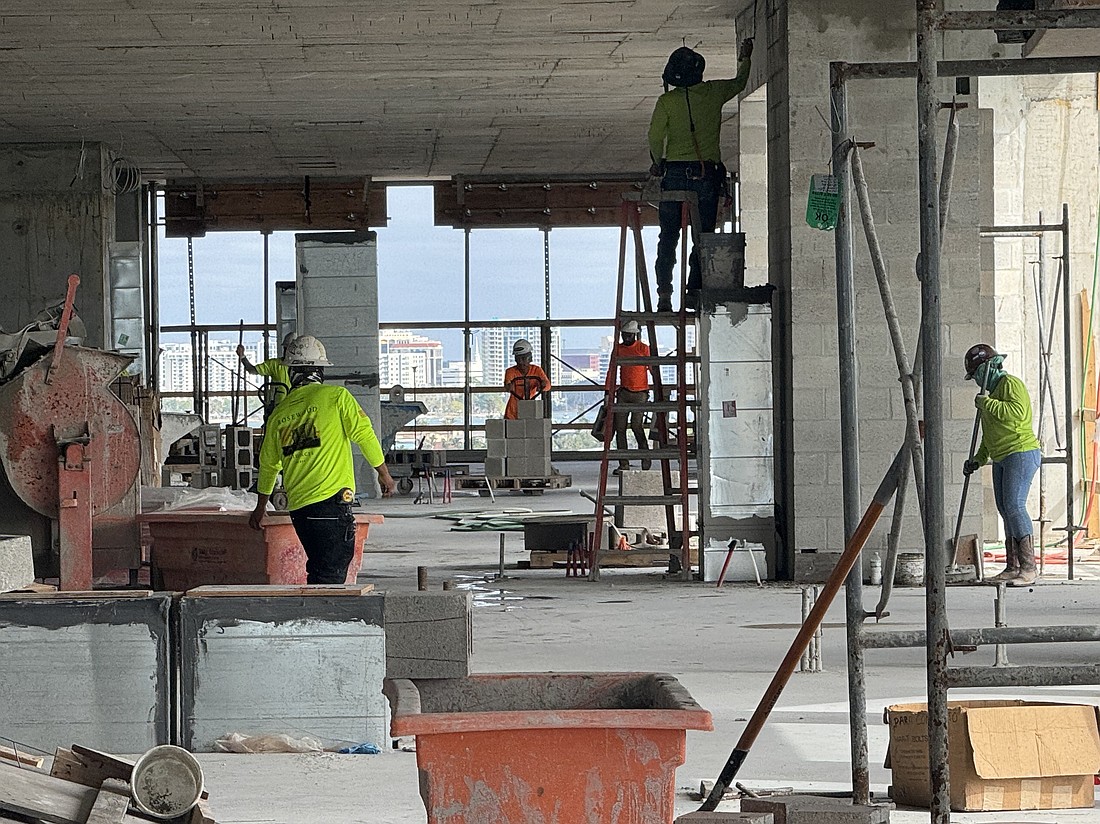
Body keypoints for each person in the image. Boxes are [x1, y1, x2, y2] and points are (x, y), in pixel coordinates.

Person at [250, 335, 396, 584]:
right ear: (320, 370)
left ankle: (315, 616)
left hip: (299, 509)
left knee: (320, 570)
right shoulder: (336, 397)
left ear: (291, 373)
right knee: (331, 575)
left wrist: (261, 507)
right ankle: (319, 620)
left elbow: (269, 466)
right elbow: (365, 435)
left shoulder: (280, 415)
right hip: (330, 503)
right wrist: (384, 473)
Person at [648, 38, 753, 312]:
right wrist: (745, 58)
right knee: (702, 238)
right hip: (706, 175)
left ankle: (663, 294)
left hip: (673, 174)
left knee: (668, 236)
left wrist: (657, 162)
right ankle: (694, 292)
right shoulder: (714, 92)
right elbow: (740, 83)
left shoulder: (666, 102)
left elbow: (655, 136)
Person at [962, 343, 1042, 585]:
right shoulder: (991, 393)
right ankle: (1012, 566)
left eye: (976, 375)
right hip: (1000, 456)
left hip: (1020, 451)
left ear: (989, 368)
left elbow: (1017, 414)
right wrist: (978, 459)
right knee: (1005, 509)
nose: (976, 381)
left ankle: (1029, 568)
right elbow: (989, 435)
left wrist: (988, 404)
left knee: (1015, 506)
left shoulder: (1011, 384)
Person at [612, 320, 652, 473]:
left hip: (640, 393)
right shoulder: (619, 349)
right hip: (624, 392)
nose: (626, 338)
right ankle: (624, 463)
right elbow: (612, 370)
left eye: (629, 335)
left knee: (637, 426)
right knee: (620, 428)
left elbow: (651, 368)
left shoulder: (643, 348)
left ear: (635, 335)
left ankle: (645, 457)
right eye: (624, 335)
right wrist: (609, 390)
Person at [238, 332, 296, 410]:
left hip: (295, 407)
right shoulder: (274, 364)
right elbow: (252, 370)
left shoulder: (300, 367)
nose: (287, 352)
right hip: (277, 408)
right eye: (286, 348)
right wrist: (242, 356)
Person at [503, 338, 550, 420]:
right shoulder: (510, 372)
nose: (521, 362)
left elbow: (548, 386)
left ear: (530, 358)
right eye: (518, 359)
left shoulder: (537, 370)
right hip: (513, 413)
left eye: (524, 358)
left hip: (531, 410)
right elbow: (508, 385)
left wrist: (542, 385)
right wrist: (509, 386)